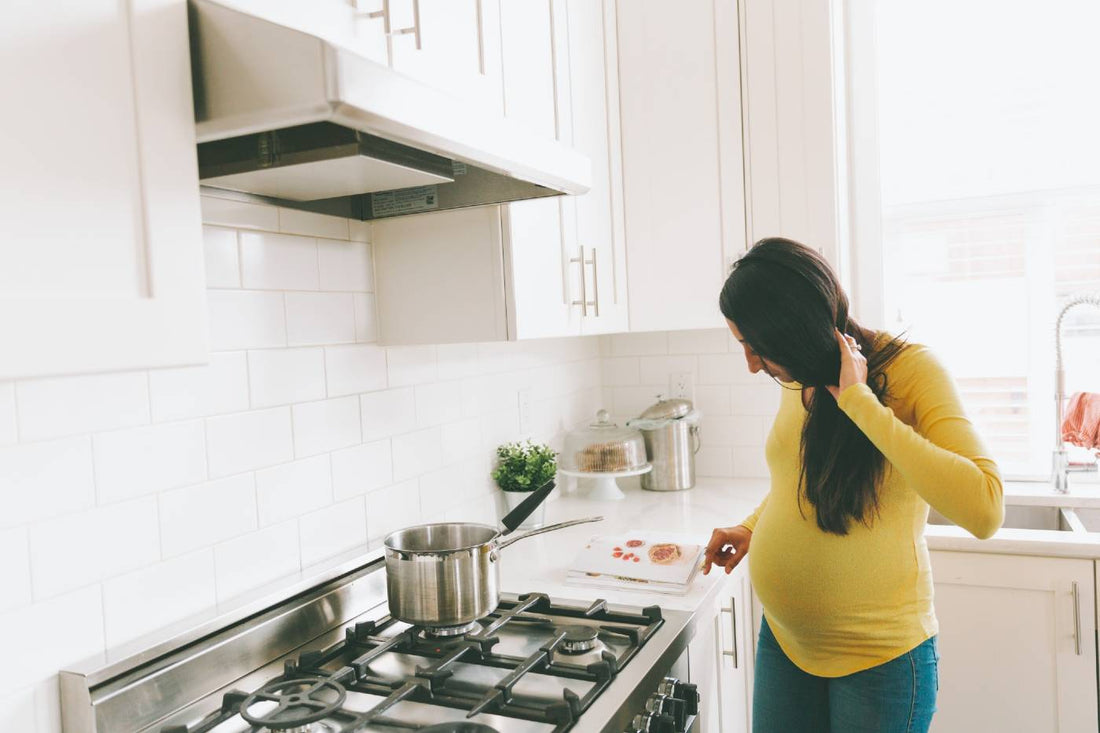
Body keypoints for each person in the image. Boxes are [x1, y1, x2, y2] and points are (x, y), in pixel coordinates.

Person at [703, 238, 1004, 733]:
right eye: (743, 345)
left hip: (880, 661)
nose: (752, 364)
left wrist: (861, 403)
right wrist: (753, 525)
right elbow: (796, 478)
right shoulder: (802, 371)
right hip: (786, 644)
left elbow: (986, 509)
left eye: (756, 347)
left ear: (794, 331)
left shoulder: (913, 370)